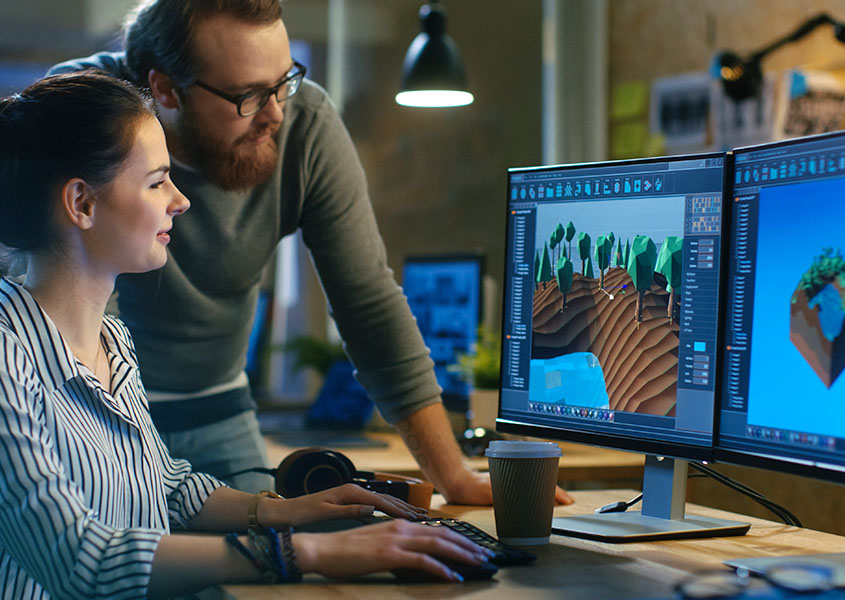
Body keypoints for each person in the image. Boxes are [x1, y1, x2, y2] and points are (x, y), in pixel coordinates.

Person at [50, 0, 574, 504]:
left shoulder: (304, 122)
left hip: (219, 411)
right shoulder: (80, 114)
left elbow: (368, 303)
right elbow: (40, 296)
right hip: (89, 411)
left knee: (262, 579)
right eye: (248, 96)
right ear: (165, 90)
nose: (276, 115)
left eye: (284, 82)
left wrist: (452, 475)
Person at [0, 71, 493, 599]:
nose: (180, 200)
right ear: (82, 204)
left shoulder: (112, 341)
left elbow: (166, 487)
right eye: (155, 181)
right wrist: (314, 551)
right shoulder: (8, 356)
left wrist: (291, 510)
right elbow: (83, 559)